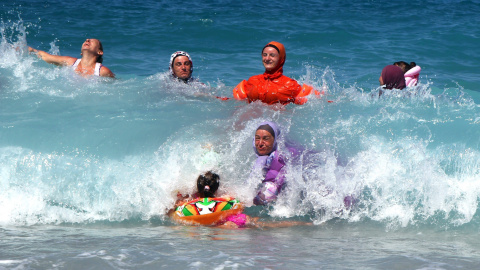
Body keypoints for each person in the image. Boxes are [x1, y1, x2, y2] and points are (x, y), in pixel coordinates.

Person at [171, 171, 311, 228]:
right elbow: (238, 204)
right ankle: (300, 224)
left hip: (195, 220)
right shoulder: (225, 199)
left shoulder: (188, 202)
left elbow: (176, 210)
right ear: (217, 188)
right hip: (227, 220)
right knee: (259, 223)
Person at [233, 41, 318, 105]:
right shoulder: (252, 81)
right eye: (264, 55)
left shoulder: (290, 85)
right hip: (252, 120)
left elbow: (310, 100)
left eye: (272, 55)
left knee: (263, 129)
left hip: (276, 122)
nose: (267, 58)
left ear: (281, 59)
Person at [28, 38, 115, 78]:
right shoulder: (70, 62)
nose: (87, 40)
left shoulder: (102, 71)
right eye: (86, 40)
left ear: (99, 52)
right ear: (81, 52)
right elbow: (45, 56)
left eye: (92, 41)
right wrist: (30, 50)